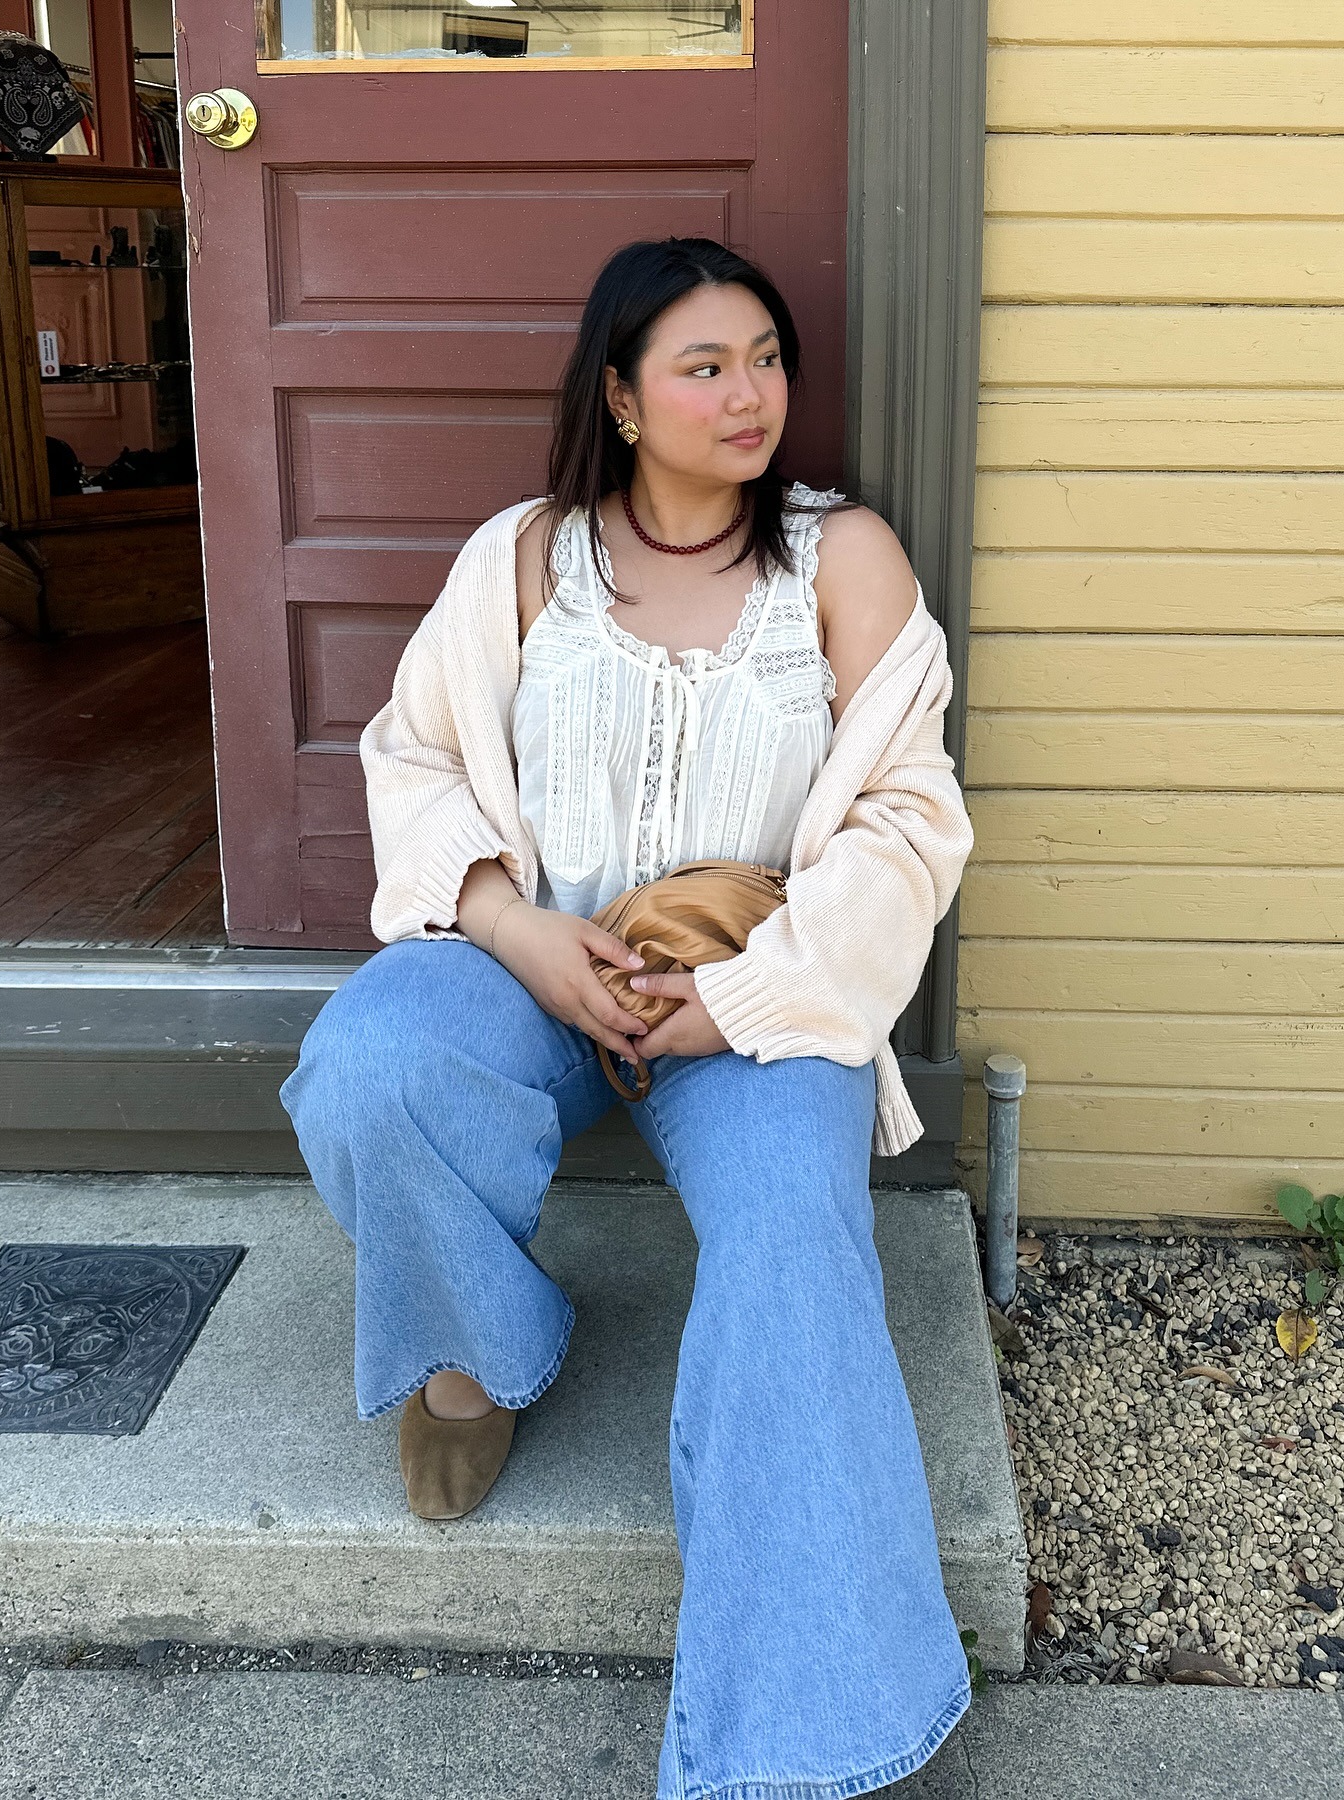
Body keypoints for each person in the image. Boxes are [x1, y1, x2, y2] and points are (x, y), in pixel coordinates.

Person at [281, 236, 976, 1799]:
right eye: (704, 366)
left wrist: (744, 1002)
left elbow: (907, 824)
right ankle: (473, 1351)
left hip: (753, 986)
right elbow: (416, 757)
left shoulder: (842, 558)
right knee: (371, 1066)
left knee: (797, 1235)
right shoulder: (527, 557)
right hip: (542, 963)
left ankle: (803, 1740)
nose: (751, 396)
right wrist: (519, 932)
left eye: (768, 361)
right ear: (621, 390)